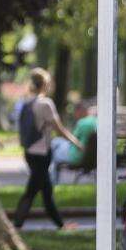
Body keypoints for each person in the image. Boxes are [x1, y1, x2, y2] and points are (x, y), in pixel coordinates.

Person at [13, 68, 81, 230]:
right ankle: (16, 226)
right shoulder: (45, 104)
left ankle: (61, 225)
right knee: (32, 191)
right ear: (44, 84)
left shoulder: (27, 103)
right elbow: (60, 129)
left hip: (29, 152)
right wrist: (76, 143)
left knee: (46, 191)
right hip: (42, 153)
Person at [50, 100, 97, 184]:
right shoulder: (96, 122)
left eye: (75, 111)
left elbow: (73, 139)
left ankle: (52, 183)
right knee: (56, 142)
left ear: (80, 111)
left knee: (53, 150)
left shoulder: (82, 123)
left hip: (77, 156)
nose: (75, 114)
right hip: (92, 157)